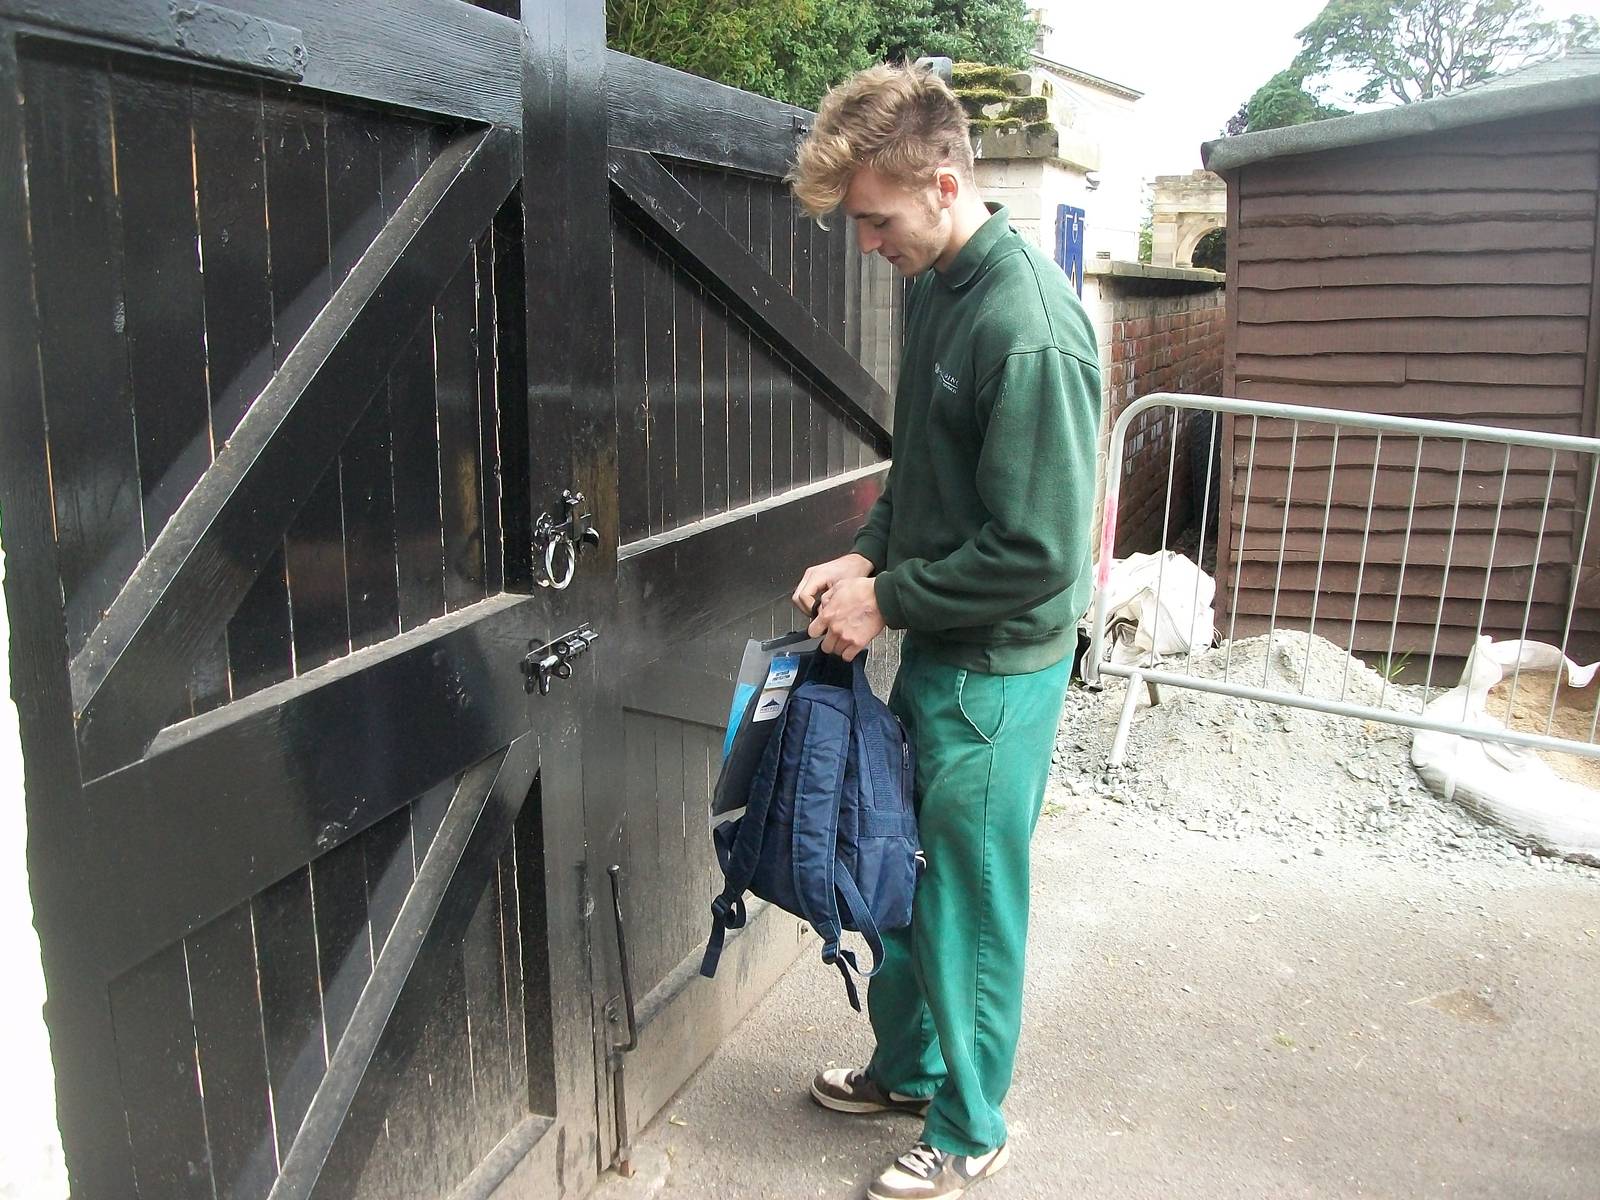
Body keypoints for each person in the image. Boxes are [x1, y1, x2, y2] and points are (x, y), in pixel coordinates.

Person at [786, 63, 1101, 1200]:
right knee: (908, 883)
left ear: (946, 182)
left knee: (967, 907)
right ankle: (910, 1069)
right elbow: (924, 472)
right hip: (940, 657)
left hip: (994, 677)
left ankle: (970, 1129)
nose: (867, 243)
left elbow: (1040, 551)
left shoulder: (1027, 327)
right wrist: (867, 552)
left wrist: (892, 601)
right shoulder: (935, 288)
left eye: (875, 219)